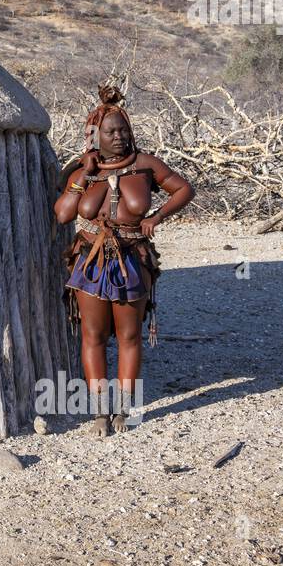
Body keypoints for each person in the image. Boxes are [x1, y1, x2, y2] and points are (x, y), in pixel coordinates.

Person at [53, 85, 194, 437]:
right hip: (90, 261)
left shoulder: (145, 165)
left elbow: (184, 189)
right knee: (93, 335)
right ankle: (101, 413)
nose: (119, 137)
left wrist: (156, 217)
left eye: (123, 130)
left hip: (132, 258)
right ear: (94, 135)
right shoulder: (81, 172)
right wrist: (84, 174)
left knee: (130, 335)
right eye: (110, 131)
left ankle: (125, 409)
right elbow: (63, 215)